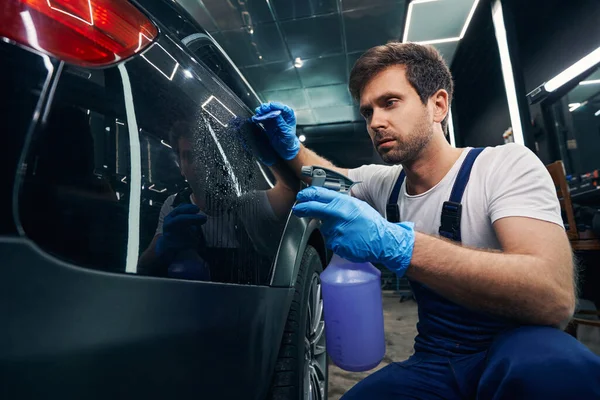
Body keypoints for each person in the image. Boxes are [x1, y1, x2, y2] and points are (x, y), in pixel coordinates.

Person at [252, 42, 600, 399]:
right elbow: (325, 177)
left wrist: (400, 246)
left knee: (556, 370)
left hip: (519, 347)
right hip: (438, 358)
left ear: (438, 105)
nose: (376, 122)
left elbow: (554, 298)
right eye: (367, 112)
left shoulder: (503, 166)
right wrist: (287, 152)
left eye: (390, 103)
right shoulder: (385, 183)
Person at [138, 115, 297, 283]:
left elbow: (290, 190)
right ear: (181, 166)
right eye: (189, 156)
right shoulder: (173, 204)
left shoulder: (248, 205)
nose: (198, 164)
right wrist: (163, 246)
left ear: (218, 160)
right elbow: (143, 265)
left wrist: (266, 151)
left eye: (204, 155)